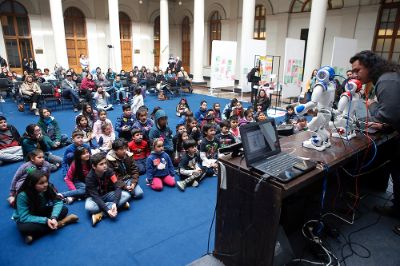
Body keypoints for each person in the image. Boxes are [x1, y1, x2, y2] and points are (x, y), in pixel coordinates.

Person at [349, 51, 400, 235]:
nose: (355, 75)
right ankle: (396, 209)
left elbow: (389, 114)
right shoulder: (389, 77)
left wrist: (372, 105)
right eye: (352, 71)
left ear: (369, 66)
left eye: (358, 70)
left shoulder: (386, 81)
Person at [12, 170, 79, 244]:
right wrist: (46, 220)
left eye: (46, 181)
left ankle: (34, 235)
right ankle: (63, 222)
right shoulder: (22, 195)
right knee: (24, 228)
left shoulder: (47, 187)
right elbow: (24, 217)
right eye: (41, 183)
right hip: (27, 217)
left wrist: (54, 217)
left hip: (40, 211)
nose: (45, 184)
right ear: (32, 185)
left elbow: (58, 201)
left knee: (64, 209)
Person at [85, 152, 131, 226]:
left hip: (107, 194)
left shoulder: (109, 171)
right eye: (101, 164)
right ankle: (121, 205)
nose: (105, 166)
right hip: (94, 198)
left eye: (105, 163)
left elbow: (117, 186)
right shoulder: (89, 178)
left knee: (126, 195)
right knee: (90, 208)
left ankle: (101, 214)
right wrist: (107, 209)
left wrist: (115, 203)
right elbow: (95, 197)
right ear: (94, 166)